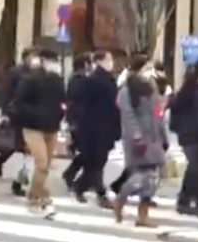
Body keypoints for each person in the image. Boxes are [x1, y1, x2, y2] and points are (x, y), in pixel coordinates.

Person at [10, 49, 66, 217]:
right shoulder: (30, 80)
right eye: (50, 61)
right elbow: (19, 104)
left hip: (52, 127)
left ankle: (33, 195)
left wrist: (60, 115)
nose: (54, 65)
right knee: (41, 163)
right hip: (32, 127)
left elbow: (62, 102)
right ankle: (42, 199)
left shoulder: (58, 81)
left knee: (46, 166)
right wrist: (38, 114)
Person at [113, 56, 168, 227]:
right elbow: (128, 116)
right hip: (137, 138)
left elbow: (158, 113)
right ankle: (121, 198)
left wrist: (164, 136)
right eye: (146, 67)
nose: (149, 71)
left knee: (154, 178)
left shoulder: (152, 88)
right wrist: (137, 136)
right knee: (141, 176)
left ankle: (142, 214)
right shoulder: (126, 91)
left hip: (154, 137)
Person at [72, 51, 120, 208]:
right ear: (100, 61)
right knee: (97, 162)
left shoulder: (109, 79)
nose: (111, 62)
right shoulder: (92, 80)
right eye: (109, 59)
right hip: (94, 128)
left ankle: (80, 187)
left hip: (106, 127)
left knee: (97, 162)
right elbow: (83, 105)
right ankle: (101, 193)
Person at [170, 62, 198, 218]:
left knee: (194, 168)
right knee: (196, 168)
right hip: (190, 133)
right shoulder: (188, 91)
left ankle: (184, 200)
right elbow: (176, 108)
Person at [0, 49, 35, 193]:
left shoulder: (35, 72)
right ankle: (2, 161)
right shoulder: (16, 72)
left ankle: (21, 176)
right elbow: (7, 91)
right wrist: (4, 110)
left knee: (25, 145)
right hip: (16, 111)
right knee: (16, 143)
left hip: (29, 113)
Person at [61, 54, 92, 190]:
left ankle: (83, 178)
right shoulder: (80, 80)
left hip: (78, 119)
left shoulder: (75, 79)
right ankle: (71, 174)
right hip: (80, 120)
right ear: (85, 64)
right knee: (87, 151)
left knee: (86, 151)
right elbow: (76, 102)